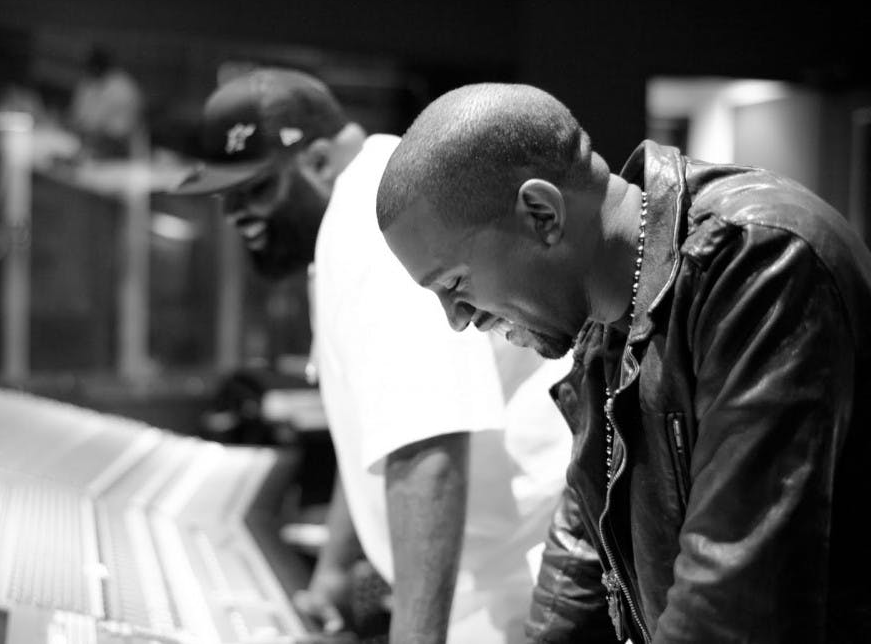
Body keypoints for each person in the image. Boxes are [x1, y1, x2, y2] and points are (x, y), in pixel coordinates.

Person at [375, 81, 871, 643]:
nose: (457, 319)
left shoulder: (757, 259)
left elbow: (730, 607)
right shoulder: (606, 320)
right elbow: (580, 560)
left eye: (454, 284)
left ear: (541, 213)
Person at [174, 68, 573, 644]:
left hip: (511, 592)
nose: (235, 213)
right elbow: (376, 429)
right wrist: (335, 569)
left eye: (255, 189)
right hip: (486, 582)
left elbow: (428, 448)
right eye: (226, 196)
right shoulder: (355, 209)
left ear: (317, 162)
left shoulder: (370, 223)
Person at [69, 46, 144, 158]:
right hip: (88, 139)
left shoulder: (123, 87)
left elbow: (121, 130)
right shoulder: (87, 84)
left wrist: (93, 134)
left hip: (117, 145)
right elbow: (78, 117)